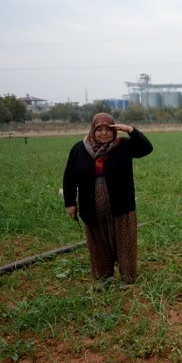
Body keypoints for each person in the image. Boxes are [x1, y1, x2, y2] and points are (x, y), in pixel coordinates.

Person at [63, 113, 153, 287]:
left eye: (108, 129)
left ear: (114, 131)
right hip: (91, 204)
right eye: (99, 129)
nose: (103, 133)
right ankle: (104, 277)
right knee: (97, 241)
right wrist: (70, 203)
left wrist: (130, 130)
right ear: (92, 130)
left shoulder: (123, 146)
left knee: (125, 240)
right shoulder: (79, 149)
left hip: (121, 204)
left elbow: (146, 148)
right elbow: (69, 178)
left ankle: (127, 278)